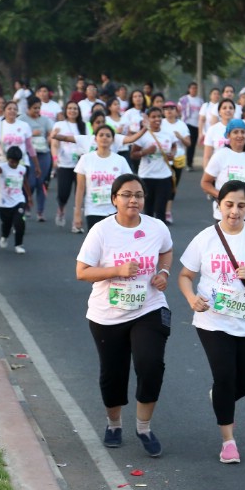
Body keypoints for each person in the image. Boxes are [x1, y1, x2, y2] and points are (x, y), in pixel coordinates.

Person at [178, 180, 245, 463]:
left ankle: (221, 398)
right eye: (229, 205)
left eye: (241, 205)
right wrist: (190, 298)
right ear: (219, 205)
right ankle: (228, 441)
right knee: (224, 376)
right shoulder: (205, 238)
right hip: (212, 321)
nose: (235, 211)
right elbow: (185, 276)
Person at [76, 173, 173, 458]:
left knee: (151, 364)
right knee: (113, 373)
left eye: (139, 195)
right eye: (127, 194)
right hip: (107, 314)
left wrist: (164, 272)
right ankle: (114, 423)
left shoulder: (156, 227)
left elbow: (166, 251)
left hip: (149, 308)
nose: (134, 199)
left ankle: (144, 427)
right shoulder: (102, 231)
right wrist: (116, 271)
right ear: (115, 199)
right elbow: (82, 271)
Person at [72, 125, 133, 233]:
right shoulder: (86, 159)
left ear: (112, 140)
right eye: (101, 135)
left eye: (108, 135)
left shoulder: (120, 160)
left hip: (115, 210)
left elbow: (129, 187)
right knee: (97, 245)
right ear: (95, 139)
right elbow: (80, 189)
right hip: (93, 209)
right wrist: (77, 214)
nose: (104, 137)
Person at [131, 107, 177, 220]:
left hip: (164, 177)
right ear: (148, 119)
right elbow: (133, 154)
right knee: (148, 211)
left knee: (160, 209)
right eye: (153, 117)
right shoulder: (143, 134)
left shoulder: (168, 133)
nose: (157, 119)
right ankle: (148, 235)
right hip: (146, 177)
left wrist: (172, 153)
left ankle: (161, 236)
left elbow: (174, 146)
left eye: (159, 116)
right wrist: (145, 152)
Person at [0, 146, 32, 254]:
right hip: (4, 203)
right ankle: (4, 235)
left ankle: (19, 244)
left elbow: (25, 183)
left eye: (16, 162)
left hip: (19, 200)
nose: (14, 164)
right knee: (6, 223)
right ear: (8, 159)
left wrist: (30, 197)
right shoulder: (2, 168)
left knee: (19, 223)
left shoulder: (22, 169)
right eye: (12, 162)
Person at [50, 101, 86, 228]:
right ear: (65, 110)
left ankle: (76, 222)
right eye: (70, 108)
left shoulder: (83, 126)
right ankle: (61, 209)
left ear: (79, 111)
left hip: (81, 165)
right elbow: (54, 144)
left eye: (75, 108)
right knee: (63, 193)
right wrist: (55, 158)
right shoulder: (59, 125)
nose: (72, 111)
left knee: (79, 193)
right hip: (64, 164)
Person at [0, 102, 41, 188]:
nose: (12, 111)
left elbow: (30, 147)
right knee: (5, 191)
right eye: (9, 109)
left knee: (20, 191)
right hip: (3, 162)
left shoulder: (24, 126)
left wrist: (37, 165)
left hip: (21, 163)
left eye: (15, 109)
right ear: (4, 111)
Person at [20, 96, 52, 222]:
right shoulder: (22, 120)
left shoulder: (45, 120)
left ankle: (40, 211)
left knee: (41, 183)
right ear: (28, 108)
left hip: (44, 154)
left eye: (39, 108)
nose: (37, 110)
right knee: (31, 182)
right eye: (34, 108)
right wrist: (33, 134)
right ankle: (26, 206)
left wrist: (49, 138)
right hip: (29, 155)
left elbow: (51, 133)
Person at [202, 98, 238, 170]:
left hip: (236, 170)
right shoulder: (212, 130)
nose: (228, 110)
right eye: (224, 108)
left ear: (234, 111)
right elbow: (207, 157)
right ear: (219, 112)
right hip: (217, 170)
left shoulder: (240, 129)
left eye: (231, 108)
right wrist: (207, 177)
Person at [179, 82, 204, 171]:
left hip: (196, 125)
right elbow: (178, 110)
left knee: (192, 145)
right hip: (186, 124)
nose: (194, 90)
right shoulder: (183, 99)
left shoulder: (200, 101)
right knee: (184, 143)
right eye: (192, 88)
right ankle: (180, 161)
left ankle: (189, 163)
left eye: (195, 88)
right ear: (189, 89)